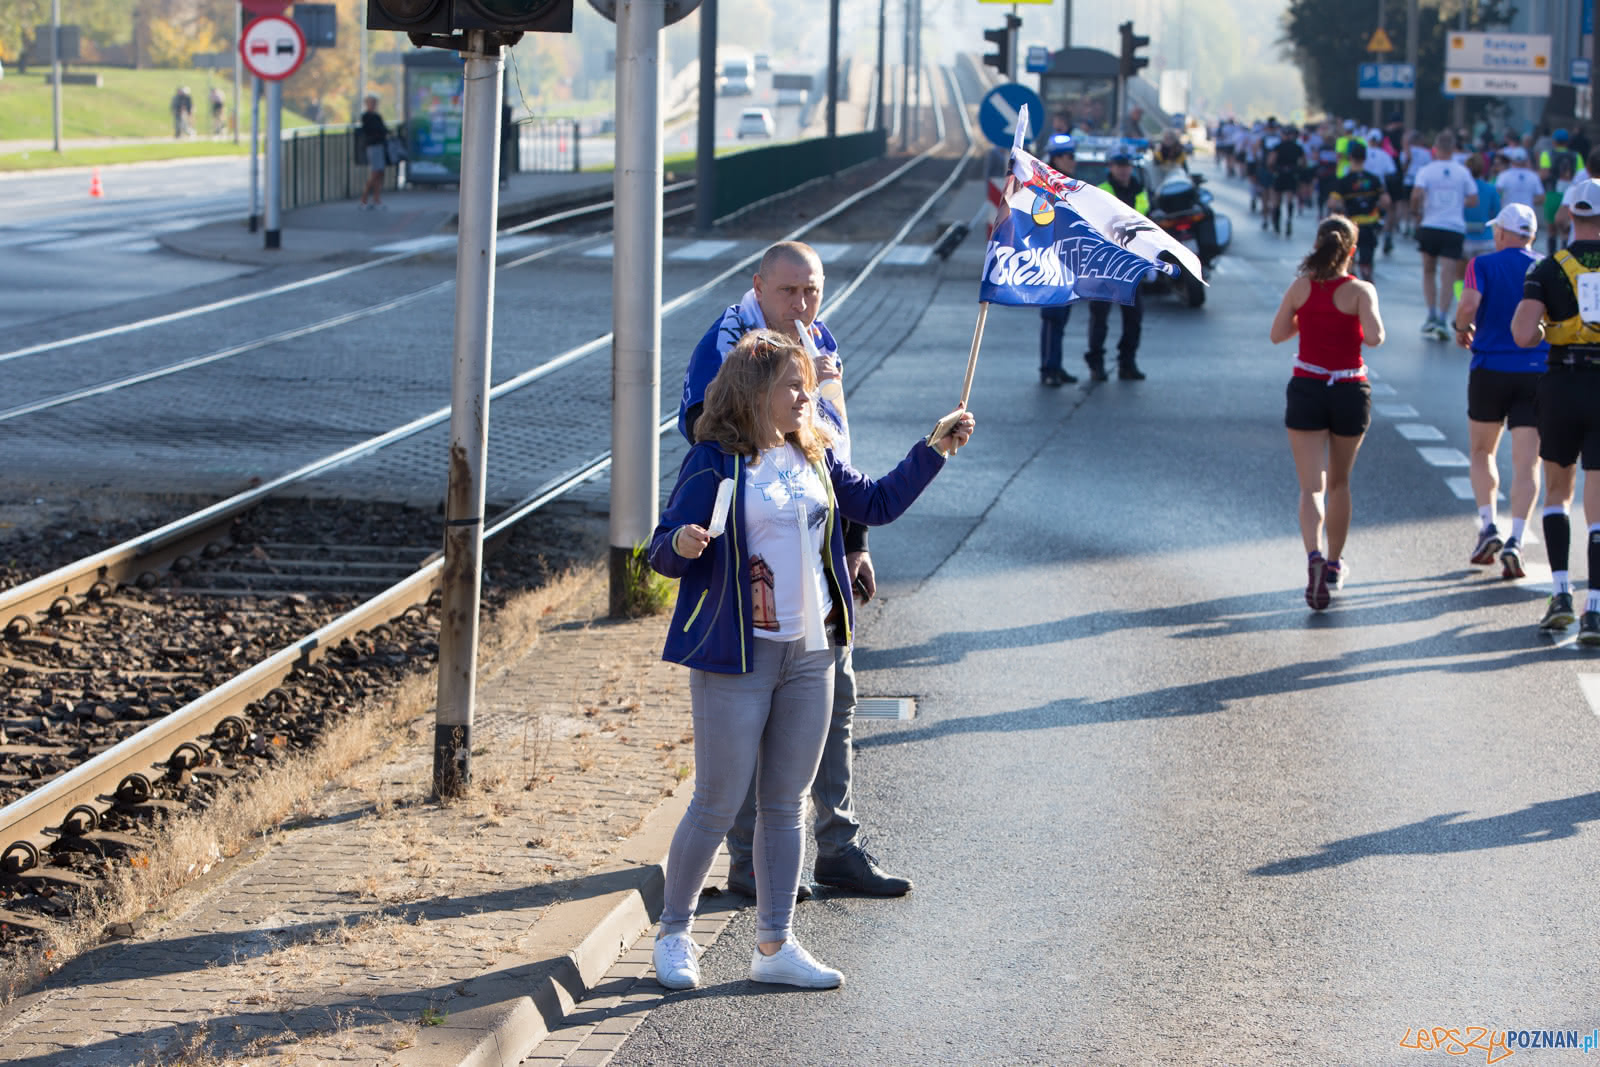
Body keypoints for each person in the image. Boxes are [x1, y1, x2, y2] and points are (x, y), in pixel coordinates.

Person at [647, 331, 974, 990]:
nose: (806, 395)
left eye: (806, 384)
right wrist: (682, 541)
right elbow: (661, 552)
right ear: (754, 393)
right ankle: (675, 932)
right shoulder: (717, 463)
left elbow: (876, 504)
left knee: (786, 803)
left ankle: (775, 943)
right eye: (791, 386)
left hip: (814, 651)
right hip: (737, 655)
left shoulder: (812, 455)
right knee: (715, 800)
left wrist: (936, 447)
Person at [679, 241, 917, 904]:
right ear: (758, 285)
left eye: (813, 291)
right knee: (757, 718)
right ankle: (750, 858)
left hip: (819, 558)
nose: (804, 305)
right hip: (755, 571)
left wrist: (856, 539)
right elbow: (708, 439)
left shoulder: (821, 342)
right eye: (790, 292)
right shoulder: (726, 345)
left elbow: (837, 449)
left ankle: (839, 846)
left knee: (836, 702)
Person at [1269, 216, 1386, 611]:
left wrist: (1307, 318)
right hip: (1350, 389)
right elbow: (1374, 337)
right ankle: (1334, 564)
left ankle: (1313, 557)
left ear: (1318, 245)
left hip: (1307, 387)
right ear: (1351, 250)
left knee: (1310, 487)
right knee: (1339, 484)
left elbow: (1277, 333)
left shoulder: (1301, 287)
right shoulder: (1359, 291)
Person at [1511, 178, 1600, 641]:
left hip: (1562, 384)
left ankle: (1561, 594)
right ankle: (1597, 608)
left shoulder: (1547, 268)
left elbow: (1523, 335)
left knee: (1558, 490)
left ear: (1569, 215)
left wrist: (1551, 329)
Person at [1452, 203, 1548, 579]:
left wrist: (1461, 326)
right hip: (1537, 370)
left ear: (1503, 233)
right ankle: (1518, 539)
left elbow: (1469, 304)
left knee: (1481, 450)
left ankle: (1489, 525)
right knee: (1528, 462)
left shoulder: (1483, 264)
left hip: (1490, 368)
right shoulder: (1546, 266)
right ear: (1532, 235)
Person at [1085, 150, 1150, 381]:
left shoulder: (1140, 190)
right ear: (1110, 167)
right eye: (1119, 165)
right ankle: (1096, 364)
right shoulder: (1102, 191)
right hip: (1104, 264)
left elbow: (1147, 222)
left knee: (1134, 318)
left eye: (1127, 165)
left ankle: (1127, 363)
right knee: (1099, 318)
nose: (1124, 169)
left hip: (1131, 265)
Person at [1410, 132, 1480, 340]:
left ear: (1435, 149)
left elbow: (1416, 194)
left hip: (1430, 224)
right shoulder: (1462, 172)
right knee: (1448, 274)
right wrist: (1457, 204)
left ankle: (1431, 313)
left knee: (1428, 270)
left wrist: (1417, 211)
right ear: (1453, 150)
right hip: (1453, 227)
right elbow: (1473, 199)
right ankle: (1442, 317)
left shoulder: (1426, 170)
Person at [1038, 135, 1080, 388]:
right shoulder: (1045, 187)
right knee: (1053, 315)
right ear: (1056, 158)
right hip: (1052, 258)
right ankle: (1048, 368)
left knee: (1062, 316)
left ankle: (1056, 364)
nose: (1073, 161)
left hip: (1069, 258)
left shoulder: (1068, 185)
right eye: (1069, 156)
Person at [1324, 141, 1391, 283]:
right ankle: (1367, 281)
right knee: (1367, 259)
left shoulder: (1343, 181)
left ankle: (1352, 283)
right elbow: (1386, 201)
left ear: (1350, 158)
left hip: (1350, 226)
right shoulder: (1374, 179)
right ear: (1365, 158)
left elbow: (1331, 202)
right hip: (1370, 225)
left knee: (1349, 258)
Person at [1266, 125, 1305, 237]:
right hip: (1292, 174)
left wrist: (1273, 170)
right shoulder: (1298, 147)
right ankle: (1289, 220)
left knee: (1277, 200)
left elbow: (1270, 161)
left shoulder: (1278, 147)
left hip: (1279, 174)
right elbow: (1303, 163)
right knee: (1290, 199)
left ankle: (1277, 223)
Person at [1461, 155, 1501, 262]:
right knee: (1483, 276)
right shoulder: (1491, 189)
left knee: (1460, 276)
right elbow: (1497, 213)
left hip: (1463, 238)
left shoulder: (1461, 189)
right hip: (1486, 239)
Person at [358, 96, 388, 210]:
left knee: (380, 173)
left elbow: (383, 129)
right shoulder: (366, 116)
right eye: (372, 103)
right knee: (375, 173)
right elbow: (370, 130)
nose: (374, 105)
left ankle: (376, 198)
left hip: (379, 146)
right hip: (372, 146)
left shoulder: (377, 116)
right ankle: (364, 199)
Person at [1495, 147, 1544, 212]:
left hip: (1509, 213)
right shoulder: (1533, 176)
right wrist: (1527, 201)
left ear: (1511, 160)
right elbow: (1541, 198)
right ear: (1526, 160)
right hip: (1527, 214)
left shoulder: (1504, 175)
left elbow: (1496, 193)